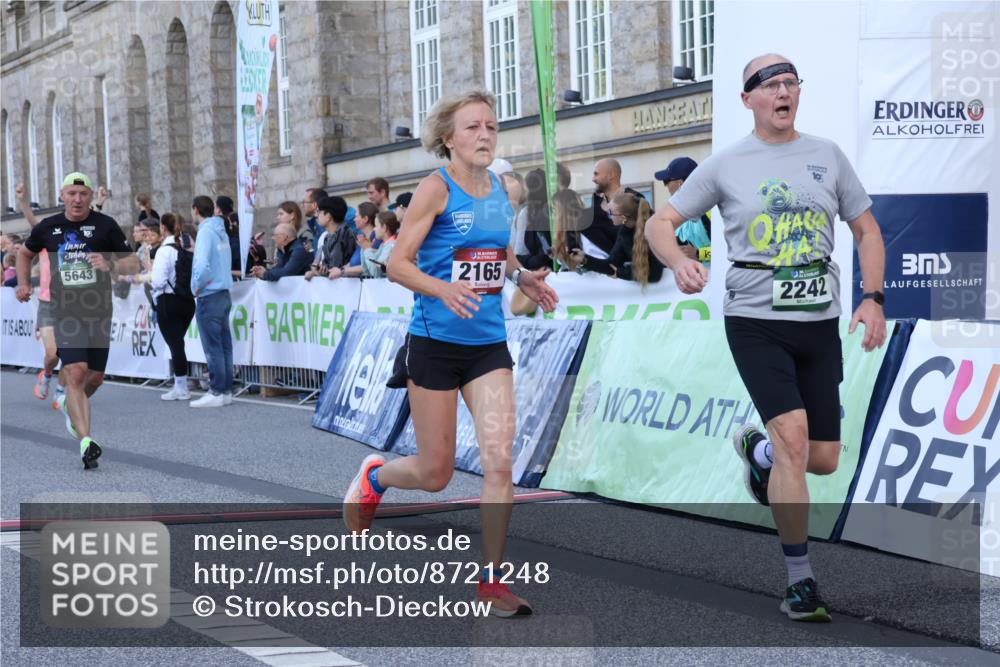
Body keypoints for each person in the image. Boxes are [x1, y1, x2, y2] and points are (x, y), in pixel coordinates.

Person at [644, 54, 887, 622]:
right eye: (771, 85)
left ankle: (757, 451)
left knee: (821, 460)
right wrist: (678, 260)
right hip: (754, 321)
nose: (784, 92)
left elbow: (867, 229)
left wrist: (872, 298)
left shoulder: (827, 155)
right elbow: (660, 222)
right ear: (747, 98)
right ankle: (801, 581)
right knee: (796, 441)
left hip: (818, 321)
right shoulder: (727, 164)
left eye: (791, 84)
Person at [342, 90, 558, 617]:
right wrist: (443, 290)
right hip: (435, 344)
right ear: (448, 139)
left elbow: (498, 253)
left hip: (488, 345)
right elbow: (397, 265)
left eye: (491, 126)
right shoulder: (434, 191)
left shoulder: (500, 192)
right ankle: (374, 477)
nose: (485, 135)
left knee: (499, 462)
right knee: (435, 473)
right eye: (472, 128)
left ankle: (491, 583)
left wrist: (523, 275)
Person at [16, 172, 139, 469]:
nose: (77, 199)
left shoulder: (105, 225)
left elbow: (133, 261)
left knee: (94, 378)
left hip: (98, 311)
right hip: (65, 310)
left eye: (83, 194)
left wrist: (109, 263)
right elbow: (24, 253)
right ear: (62, 195)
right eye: (72, 194)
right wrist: (23, 283)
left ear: (89, 198)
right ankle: (86, 441)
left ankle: (74, 409)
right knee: (74, 371)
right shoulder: (49, 227)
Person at [14, 183, 63, 405]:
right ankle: (48, 374)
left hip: (76, 302)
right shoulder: (46, 235)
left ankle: (62, 389)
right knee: (53, 354)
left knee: (74, 353)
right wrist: (23, 200)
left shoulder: (80, 239)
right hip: (48, 302)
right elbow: (33, 221)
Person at [189, 194, 234, 408]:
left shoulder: (205, 232)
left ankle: (217, 390)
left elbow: (201, 265)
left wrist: (196, 286)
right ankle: (225, 390)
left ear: (196, 210)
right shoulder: (220, 230)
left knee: (213, 346)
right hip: (223, 292)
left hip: (209, 293)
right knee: (224, 345)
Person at [151, 212, 196, 401]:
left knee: (175, 344)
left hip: (168, 300)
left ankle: (181, 386)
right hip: (187, 300)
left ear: (163, 227)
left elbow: (158, 280)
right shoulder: (188, 247)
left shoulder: (164, 250)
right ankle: (181, 384)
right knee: (179, 343)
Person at [655, 156, 712, 263]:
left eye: (667, 181)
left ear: (680, 183)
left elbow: (724, 251)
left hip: (716, 277)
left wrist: (698, 254)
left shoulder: (710, 210)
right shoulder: (675, 211)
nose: (666, 186)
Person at [305, 196, 356, 280]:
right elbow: (327, 266)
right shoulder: (329, 236)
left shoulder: (342, 235)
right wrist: (320, 269)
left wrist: (314, 273)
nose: (316, 215)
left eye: (319, 212)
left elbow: (335, 268)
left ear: (328, 216)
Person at [341, 202, 377, 278]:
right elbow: (353, 263)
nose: (354, 219)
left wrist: (343, 271)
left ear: (365, 219)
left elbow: (372, 266)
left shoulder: (376, 238)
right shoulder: (362, 238)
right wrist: (343, 269)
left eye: (357, 216)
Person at [359, 211, 399, 278]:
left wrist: (367, 249)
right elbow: (366, 271)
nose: (374, 229)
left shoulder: (391, 246)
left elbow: (376, 273)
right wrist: (364, 248)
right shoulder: (383, 245)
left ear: (384, 228)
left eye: (376, 226)